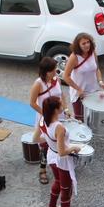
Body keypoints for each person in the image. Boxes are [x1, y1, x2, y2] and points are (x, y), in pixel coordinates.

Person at [42, 96, 83, 207]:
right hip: (61, 160)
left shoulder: (43, 120)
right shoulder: (59, 127)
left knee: (58, 182)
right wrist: (75, 147)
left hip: (51, 156)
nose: (62, 106)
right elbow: (62, 151)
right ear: (55, 110)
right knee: (66, 189)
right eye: (60, 105)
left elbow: (39, 138)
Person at [29, 56, 66, 186]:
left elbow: (62, 96)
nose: (56, 72)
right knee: (45, 144)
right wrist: (46, 114)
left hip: (58, 115)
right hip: (44, 117)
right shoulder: (38, 84)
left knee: (59, 139)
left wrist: (65, 109)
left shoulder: (56, 80)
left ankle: (60, 164)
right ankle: (43, 170)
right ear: (47, 71)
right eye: (54, 70)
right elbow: (32, 103)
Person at [62, 33, 104, 122]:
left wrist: (100, 81)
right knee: (80, 120)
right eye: (83, 43)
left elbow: (97, 69)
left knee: (92, 118)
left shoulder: (93, 52)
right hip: (79, 94)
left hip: (92, 91)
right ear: (78, 46)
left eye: (88, 42)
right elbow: (65, 76)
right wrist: (78, 89)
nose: (87, 45)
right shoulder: (74, 57)